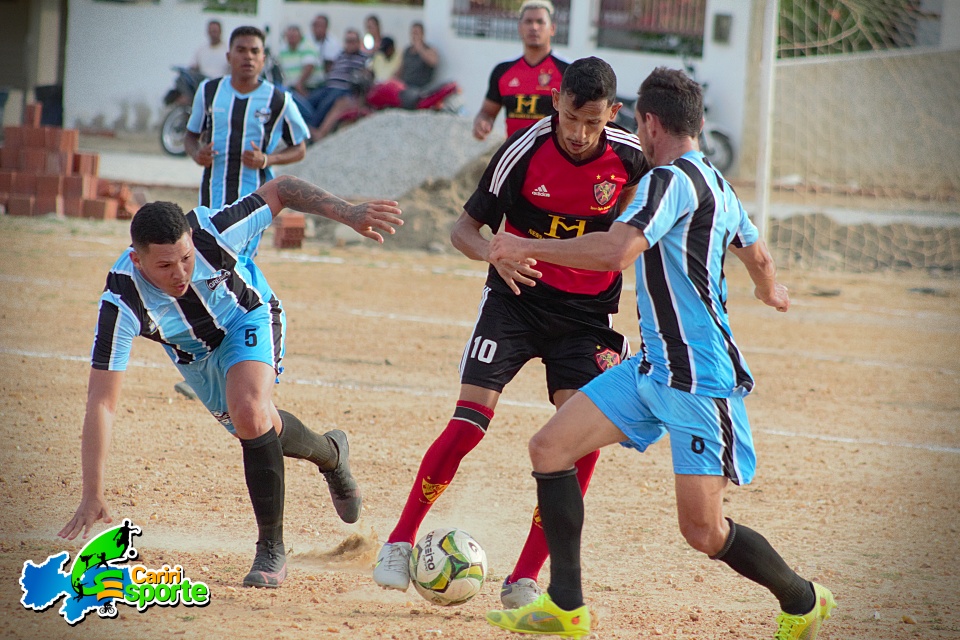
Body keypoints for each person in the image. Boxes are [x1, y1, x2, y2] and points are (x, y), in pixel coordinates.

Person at [484, 67, 836, 639]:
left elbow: (618, 252)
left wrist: (523, 243)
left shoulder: (664, 180)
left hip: (698, 379)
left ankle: (802, 599)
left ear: (648, 122)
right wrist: (769, 290)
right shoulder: (718, 184)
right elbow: (759, 254)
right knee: (549, 448)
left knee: (703, 532)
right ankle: (565, 606)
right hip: (651, 367)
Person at [372, 57, 650, 610]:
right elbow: (464, 229)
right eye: (571, 117)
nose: (577, 133)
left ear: (613, 114)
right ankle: (400, 541)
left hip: (588, 318)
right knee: (469, 423)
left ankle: (524, 578)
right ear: (556, 104)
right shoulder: (522, 151)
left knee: (579, 439)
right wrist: (492, 257)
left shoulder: (634, 159)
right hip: (514, 301)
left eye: (592, 122)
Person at [57, 174, 404, 591]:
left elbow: (282, 189)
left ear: (191, 240)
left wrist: (347, 212)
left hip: (248, 318)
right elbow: (102, 403)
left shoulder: (212, 232)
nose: (180, 273)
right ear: (137, 259)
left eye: (185, 258)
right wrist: (92, 492)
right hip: (196, 357)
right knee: (259, 424)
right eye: (164, 266)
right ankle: (331, 453)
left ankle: (271, 550)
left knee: (249, 410)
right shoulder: (122, 301)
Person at [472, 0, 567, 141]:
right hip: (515, 156)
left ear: (552, 28)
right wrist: (482, 122)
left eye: (540, 22)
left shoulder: (568, 72)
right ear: (519, 27)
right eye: (528, 21)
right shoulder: (503, 71)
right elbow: (487, 112)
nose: (534, 27)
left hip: (553, 159)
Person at [304, 29, 371, 140]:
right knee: (310, 100)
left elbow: (365, 77)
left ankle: (313, 127)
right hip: (328, 86)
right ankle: (305, 126)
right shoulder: (340, 55)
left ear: (358, 42)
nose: (349, 44)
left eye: (352, 41)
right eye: (347, 41)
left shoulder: (363, 58)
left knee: (328, 101)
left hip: (344, 88)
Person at [277, 24, 320, 99]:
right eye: (289, 36)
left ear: (300, 36)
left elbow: (309, 66)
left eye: (294, 36)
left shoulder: (307, 46)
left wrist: (299, 84)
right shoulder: (283, 50)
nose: (291, 39)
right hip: (291, 88)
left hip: (310, 88)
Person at [309, 14, 341, 85]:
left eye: (320, 26)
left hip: (326, 81)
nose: (317, 28)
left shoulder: (333, 43)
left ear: (326, 27)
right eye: (315, 25)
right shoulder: (306, 41)